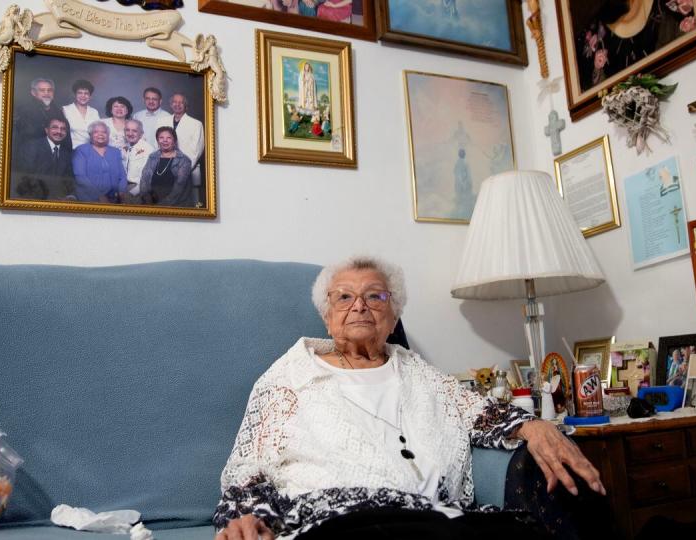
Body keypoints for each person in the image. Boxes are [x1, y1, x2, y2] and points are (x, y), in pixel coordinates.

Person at [212, 256, 604, 540]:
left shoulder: (419, 372)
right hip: (339, 518)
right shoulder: (289, 377)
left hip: (437, 516)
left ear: (394, 315)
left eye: (375, 296)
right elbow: (251, 464)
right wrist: (246, 515)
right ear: (327, 316)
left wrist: (533, 425)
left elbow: (481, 412)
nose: (359, 306)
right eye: (344, 298)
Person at [12, 115, 75, 200]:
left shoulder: (67, 154)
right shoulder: (31, 147)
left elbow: (68, 181)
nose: (59, 131)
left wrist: (69, 196)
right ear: (46, 130)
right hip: (31, 198)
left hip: (57, 199)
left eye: (63, 129)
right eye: (54, 127)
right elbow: (25, 178)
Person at [72, 121, 127, 203]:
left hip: (114, 198)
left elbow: (122, 176)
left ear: (108, 135)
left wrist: (122, 192)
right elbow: (80, 177)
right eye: (96, 132)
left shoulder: (115, 152)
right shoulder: (81, 150)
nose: (100, 134)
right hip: (89, 198)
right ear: (90, 135)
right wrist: (98, 196)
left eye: (104, 132)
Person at [138, 126, 194, 207]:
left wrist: (162, 205)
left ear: (174, 141)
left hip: (175, 203)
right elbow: (144, 179)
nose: (165, 140)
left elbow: (179, 187)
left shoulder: (184, 160)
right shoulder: (152, 157)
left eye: (169, 138)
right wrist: (147, 199)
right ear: (157, 141)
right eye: (161, 137)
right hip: (151, 201)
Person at [168, 93, 205, 203]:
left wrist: (181, 171)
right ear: (170, 104)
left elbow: (197, 150)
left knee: (190, 204)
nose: (177, 104)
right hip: (166, 170)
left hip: (188, 170)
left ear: (186, 106)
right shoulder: (162, 121)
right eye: (175, 102)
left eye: (181, 102)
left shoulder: (196, 124)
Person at [14, 78, 68, 147]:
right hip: (31, 153)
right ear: (33, 93)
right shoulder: (23, 111)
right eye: (42, 90)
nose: (46, 93)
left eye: (49, 90)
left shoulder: (59, 112)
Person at [122, 119, 155, 202]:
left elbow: (149, 178)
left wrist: (132, 193)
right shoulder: (125, 148)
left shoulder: (148, 150)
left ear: (141, 134)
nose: (130, 133)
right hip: (126, 187)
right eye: (127, 130)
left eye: (134, 131)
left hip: (140, 191)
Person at [62, 79, 100, 148]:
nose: (83, 96)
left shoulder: (94, 112)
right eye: (80, 93)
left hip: (91, 149)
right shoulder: (66, 110)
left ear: (90, 96)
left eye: (86, 93)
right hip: (71, 150)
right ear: (74, 95)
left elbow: (98, 132)